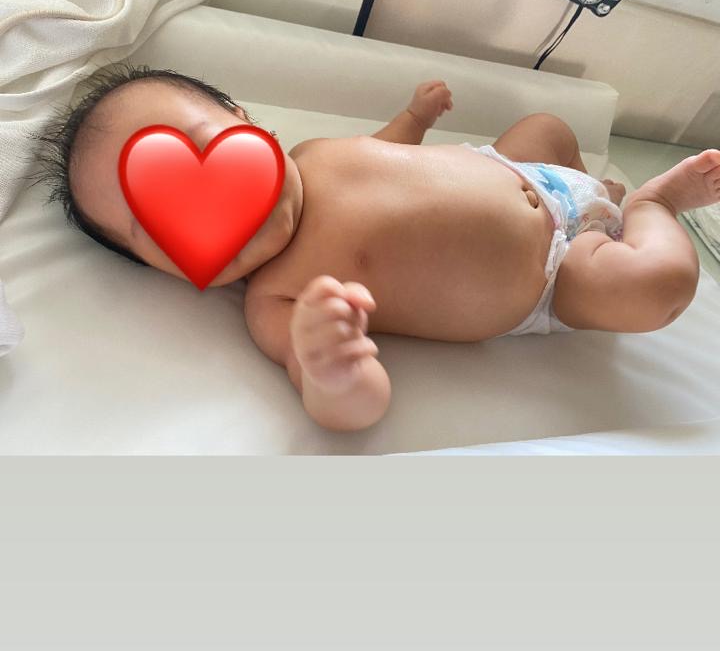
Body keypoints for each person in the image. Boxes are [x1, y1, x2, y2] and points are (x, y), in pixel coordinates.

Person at [35, 65, 713, 433]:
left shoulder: (313, 153)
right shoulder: (281, 302)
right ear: (165, 270)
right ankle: (650, 207)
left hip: (516, 167)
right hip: (556, 274)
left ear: (244, 120)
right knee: (654, 290)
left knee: (547, 125)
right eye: (158, 223)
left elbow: (383, 151)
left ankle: (600, 192)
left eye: (205, 148)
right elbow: (352, 408)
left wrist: (413, 119)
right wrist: (332, 368)